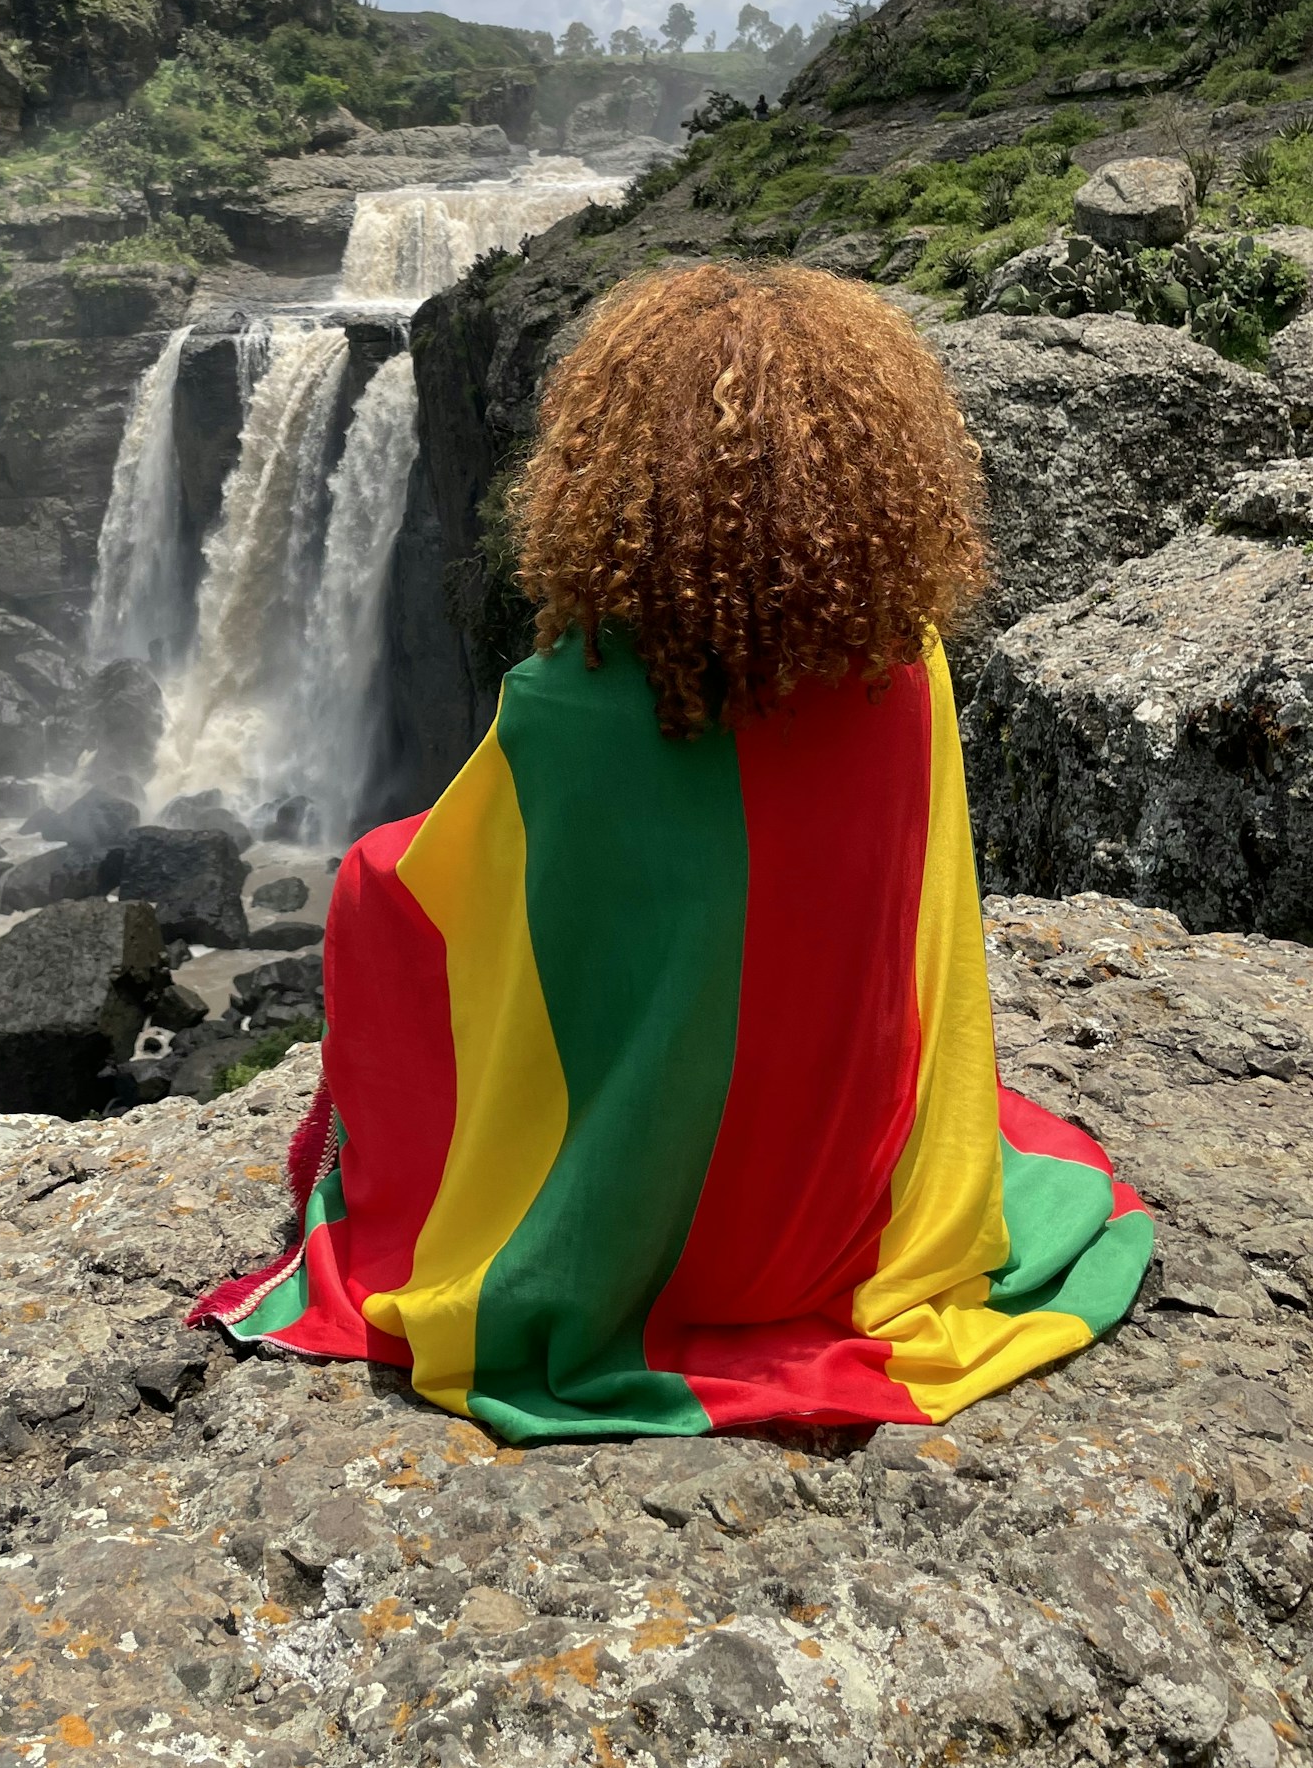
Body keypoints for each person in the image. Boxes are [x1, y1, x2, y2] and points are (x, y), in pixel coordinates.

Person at [194, 265, 1151, 1442]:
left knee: (370, 885)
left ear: (618, 478)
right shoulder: (906, 673)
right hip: (840, 1217)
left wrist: (366, 877)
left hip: (638, 1253)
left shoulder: (573, 707)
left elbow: (451, 890)